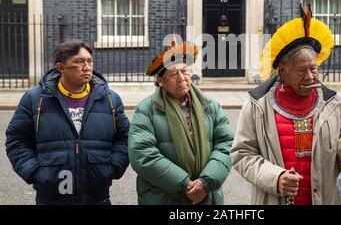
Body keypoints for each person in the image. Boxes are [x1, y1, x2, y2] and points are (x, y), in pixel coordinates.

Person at [231, 4, 341, 205]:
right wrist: (276, 178)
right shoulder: (257, 107)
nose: (309, 76)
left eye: (313, 68)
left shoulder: (334, 104)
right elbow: (242, 155)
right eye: (301, 70)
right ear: (282, 71)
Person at [5, 39, 130, 205]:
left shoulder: (109, 99)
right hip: (51, 197)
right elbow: (17, 140)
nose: (87, 67)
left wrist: (112, 168)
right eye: (79, 62)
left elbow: (125, 138)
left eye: (89, 61)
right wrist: (36, 173)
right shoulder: (35, 99)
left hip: (97, 196)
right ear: (60, 67)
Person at [128, 37, 234, 205]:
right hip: (164, 198)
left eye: (184, 71)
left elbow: (226, 144)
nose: (182, 78)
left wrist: (206, 183)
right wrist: (185, 184)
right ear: (160, 81)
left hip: (208, 196)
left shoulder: (210, 106)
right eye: (173, 75)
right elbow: (142, 154)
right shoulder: (147, 109)